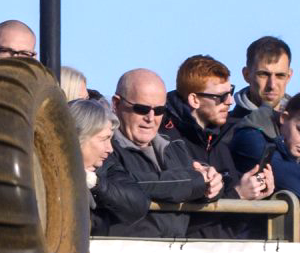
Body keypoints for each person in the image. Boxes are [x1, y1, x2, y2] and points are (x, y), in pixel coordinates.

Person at [163, 54, 273, 238]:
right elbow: (178, 218)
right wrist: (239, 195)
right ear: (194, 100)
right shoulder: (167, 140)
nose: (229, 101)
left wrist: (255, 191)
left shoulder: (221, 137)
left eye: (230, 92)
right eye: (221, 97)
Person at [102, 68, 218, 237]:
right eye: (141, 109)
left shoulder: (175, 147)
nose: (150, 118)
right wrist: (191, 182)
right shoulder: (103, 147)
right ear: (116, 104)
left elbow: (198, 182)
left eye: (159, 111)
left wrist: (213, 183)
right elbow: (123, 184)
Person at [70, 97, 147, 236]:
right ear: (78, 137)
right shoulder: (39, 170)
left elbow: (138, 203)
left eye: (110, 139)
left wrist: (94, 182)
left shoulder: (106, 166)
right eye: (104, 139)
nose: (110, 148)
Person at [234, 36, 291, 120]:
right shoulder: (222, 130)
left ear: (289, 77)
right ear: (246, 75)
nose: (272, 85)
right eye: (264, 74)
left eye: (280, 76)